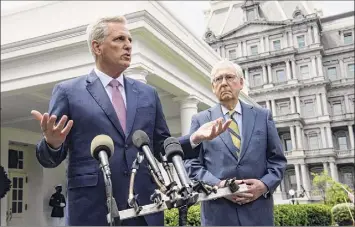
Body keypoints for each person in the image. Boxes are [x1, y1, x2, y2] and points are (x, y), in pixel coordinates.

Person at [31, 16, 230, 226]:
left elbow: (160, 147)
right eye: (119, 39)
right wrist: (53, 144)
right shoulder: (69, 92)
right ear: (97, 47)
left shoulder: (148, 94)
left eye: (130, 40)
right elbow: (49, 159)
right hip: (92, 211)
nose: (128, 45)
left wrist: (195, 138)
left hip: (145, 209)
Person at [184, 59, 287, 226]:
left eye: (229, 77)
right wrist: (219, 186)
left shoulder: (262, 116)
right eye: (218, 79)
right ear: (213, 87)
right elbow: (192, 165)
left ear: (241, 83)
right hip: (218, 215)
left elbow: (277, 161)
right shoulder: (200, 120)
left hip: (258, 214)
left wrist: (264, 185)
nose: (224, 83)